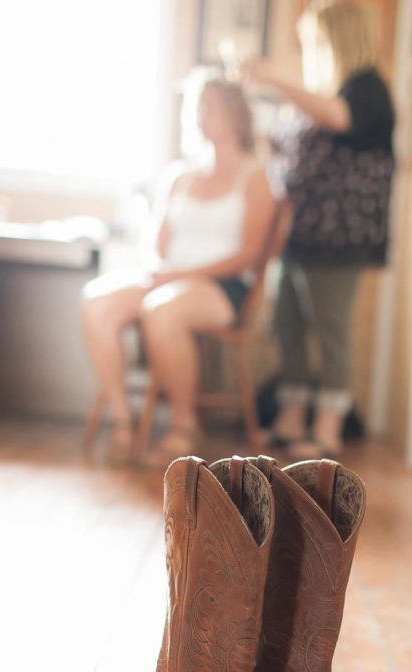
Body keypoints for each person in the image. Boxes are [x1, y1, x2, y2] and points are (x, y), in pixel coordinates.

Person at [81, 72, 275, 464]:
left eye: (212, 107)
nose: (203, 116)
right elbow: (156, 243)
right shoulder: (179, 177)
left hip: (222, 285)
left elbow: (250, 256)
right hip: (167, 278)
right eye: (197, 109)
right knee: (97, 300)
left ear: (236, 114)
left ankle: (184, 424)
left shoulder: (256, 180)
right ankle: (123, 417)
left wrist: (178, 276)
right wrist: (157, 269)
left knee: (163, 309)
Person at [241, 0, 395, 459]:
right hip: (299, 237)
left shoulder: (367, 89)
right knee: (286, 325)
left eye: (313, 42)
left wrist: (274, 81)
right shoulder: (322, 93)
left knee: (330, 331)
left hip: (338, 241)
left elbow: (339, 118)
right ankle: (291, 418)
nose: (308, 50)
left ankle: (327, 427)